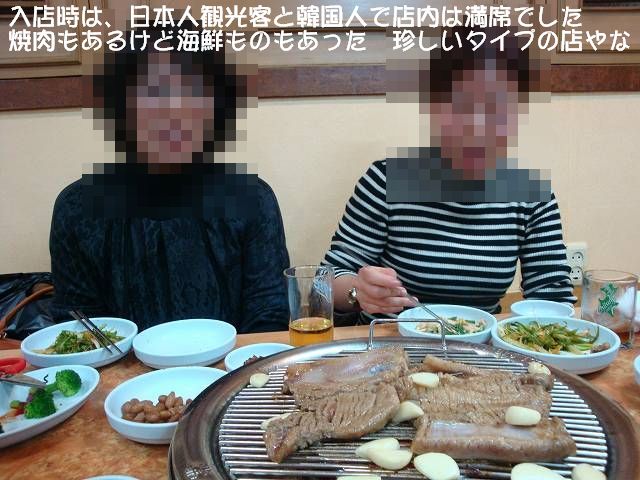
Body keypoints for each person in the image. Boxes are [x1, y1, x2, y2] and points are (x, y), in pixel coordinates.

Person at [323, 27, 576, 323]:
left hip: (481, 346)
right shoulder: (386, 181)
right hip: (389, 342)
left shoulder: (531, 197)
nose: (478, 128)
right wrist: (358, 291)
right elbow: (328, 280)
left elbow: (552, 297)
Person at [49, 28, 290, 333]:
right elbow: (79, 327)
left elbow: (268, 319)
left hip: (232, 364)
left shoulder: (251, 199)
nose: (174, 110)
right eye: (153, 92)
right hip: (121, 366)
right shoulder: (78, 208)